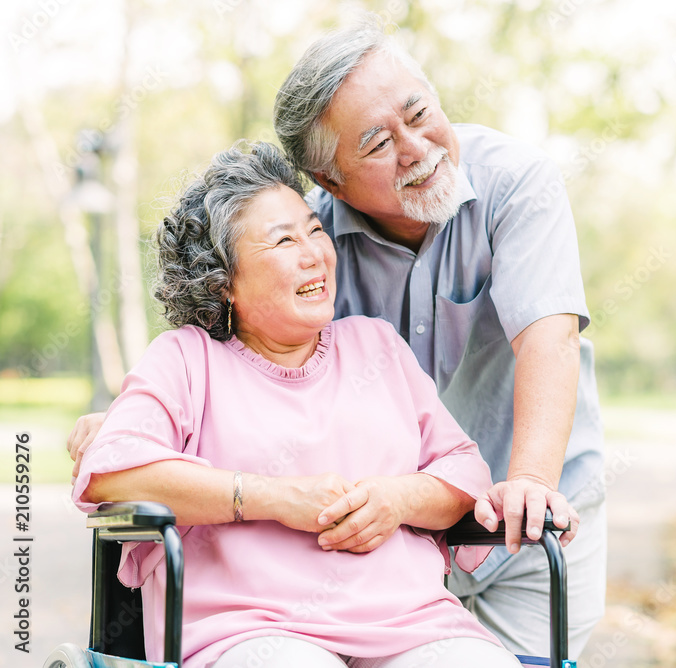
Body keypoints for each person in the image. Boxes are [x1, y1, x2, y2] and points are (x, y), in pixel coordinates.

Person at [70, 13, 607, 659]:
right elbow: (196, 383)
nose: (416, 147)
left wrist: (510, 484)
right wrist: (136, 421)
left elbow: (545, 345)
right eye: (378, 143)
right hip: (264, 620)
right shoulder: (298, 242)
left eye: (420, 113)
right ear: (331, 183)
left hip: (503, 521)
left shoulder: (507, 192)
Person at [72, 141, 523, 668]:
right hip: (249, 629)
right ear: (223, 284)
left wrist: (398, 499)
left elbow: (464, 469)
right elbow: (112, 474)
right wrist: (274, 497)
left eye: (313, 229)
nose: (315, 252)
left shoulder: (376, 346)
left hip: (410, 623)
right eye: (283, 241)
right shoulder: (186, 360)